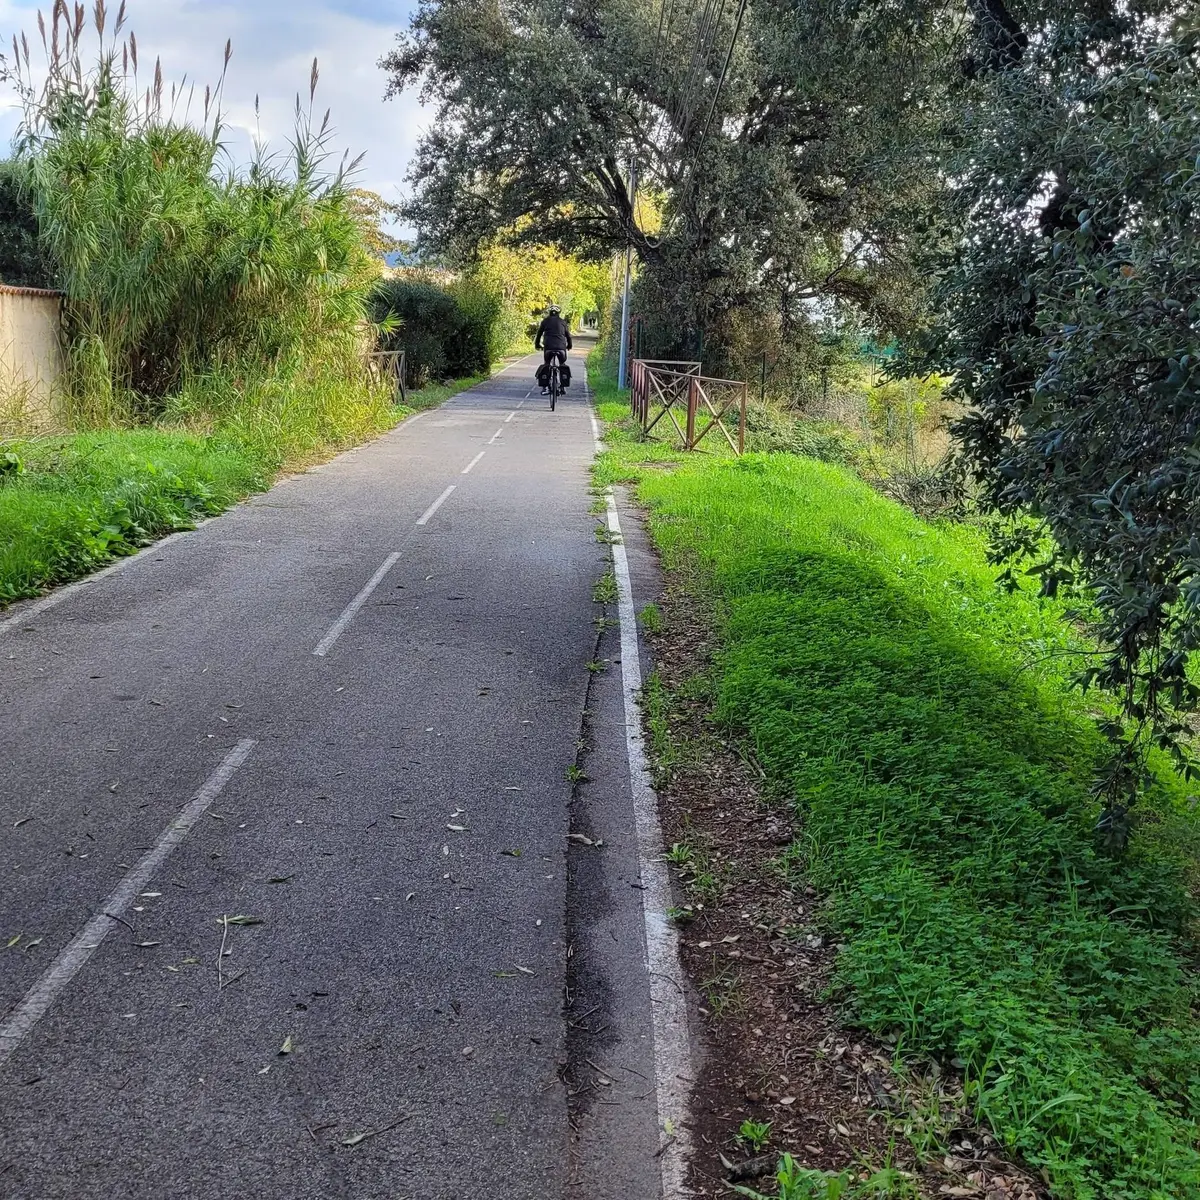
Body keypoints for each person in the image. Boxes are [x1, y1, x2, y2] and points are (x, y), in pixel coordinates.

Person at [534, 304, 573, 393]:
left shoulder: (545, 321)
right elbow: (568, 336)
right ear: (559, 313)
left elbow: (539, 334)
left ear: (549, 312)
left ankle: (545, 388)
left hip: (548, 348)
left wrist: (537, 345)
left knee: (547, 364)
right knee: (562, 364)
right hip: (561, 348)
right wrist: (569, 345)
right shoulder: (563, 322)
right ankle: (563, 387)